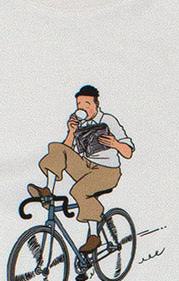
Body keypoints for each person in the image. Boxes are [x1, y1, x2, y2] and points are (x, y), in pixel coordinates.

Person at [28, 87, 135, 252]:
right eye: (79, 104)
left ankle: (94, 236)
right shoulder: (80, 125)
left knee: (79, 191)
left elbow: (128, 152)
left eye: (87, 103)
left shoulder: (108, 120)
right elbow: (65, 151)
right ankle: (48, 190)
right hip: (85, 166)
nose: (83, 108)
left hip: (107, 171)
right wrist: (71, 132)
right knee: (56, 147)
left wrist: (115, 144)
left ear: (96, 104)